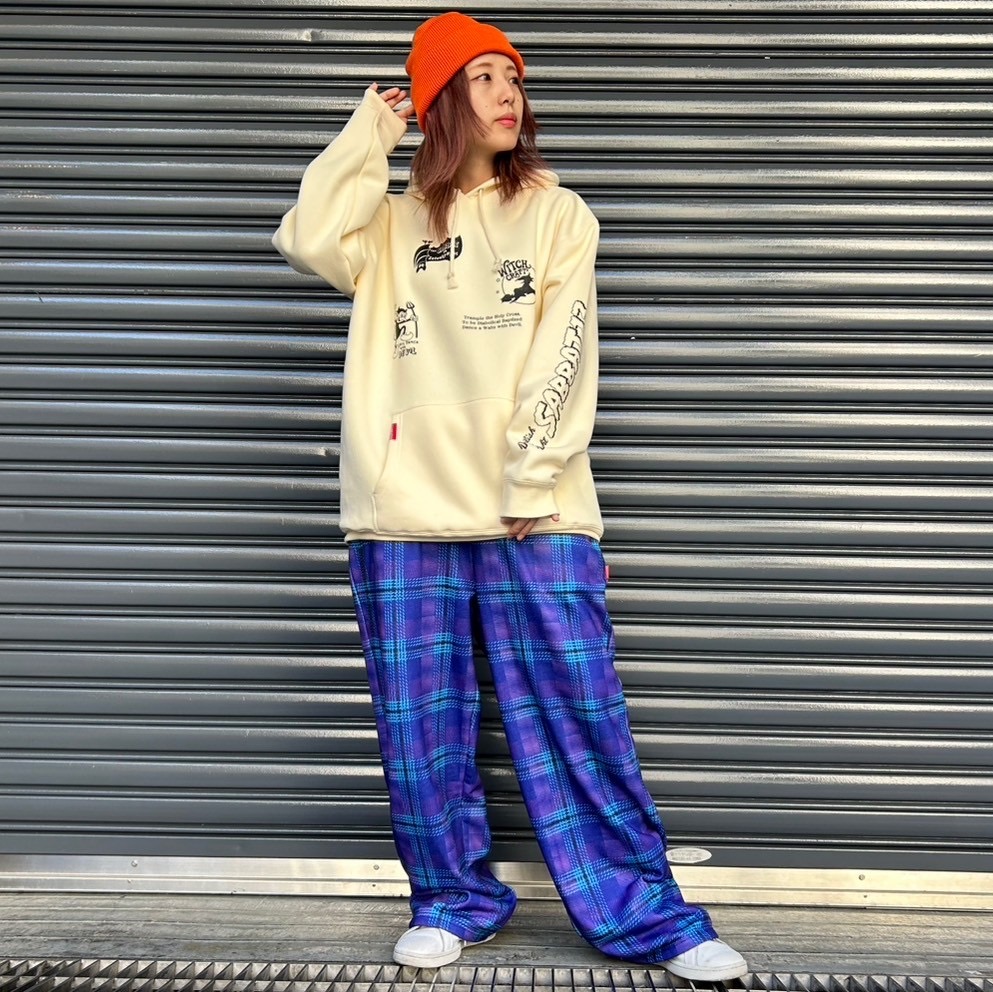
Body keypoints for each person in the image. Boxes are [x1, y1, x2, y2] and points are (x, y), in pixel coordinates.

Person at [271, 12, 748, 982]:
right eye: (482, 76)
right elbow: (305, 236)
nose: (507, 93)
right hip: (404, 509)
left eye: (513, 77)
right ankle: (452, 900)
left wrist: (532, 471)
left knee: (581, 713)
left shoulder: (556, 212)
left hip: (535, 506)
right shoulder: (388, 225)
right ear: (441, 100)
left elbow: (567, 347)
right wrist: (371, 129)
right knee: (420, 728)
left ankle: (649, 916)